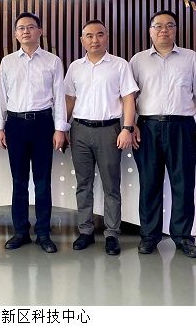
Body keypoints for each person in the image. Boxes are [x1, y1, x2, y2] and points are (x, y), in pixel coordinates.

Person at [130, 9, 196, 258]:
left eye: (169, 25)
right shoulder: (138, 60)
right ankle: (149, 236)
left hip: (182, 127)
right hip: (147, 128)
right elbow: (128, 96)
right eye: (158, 26)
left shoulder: (191, 58)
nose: (163, 30)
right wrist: (131, 124)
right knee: (149, 184)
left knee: (183, 184)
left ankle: (183, 237)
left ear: (176, 30)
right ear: (150, 31)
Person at [0, 12, 68, 253]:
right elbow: (2, 95)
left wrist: (60, 129)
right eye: (21, 28)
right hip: (15, 125)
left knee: (43, 182)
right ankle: (20, 231)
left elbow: (59, 97)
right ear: (16, 34)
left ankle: (43, 233)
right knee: (19, 181)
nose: (26, 31)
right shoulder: (7, 62)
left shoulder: (52, 61)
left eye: (31, 27)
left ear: (40, 31)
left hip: (43, 124)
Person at [64, 20, 138, 256]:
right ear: (82, 40)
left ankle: (112, 234)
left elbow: (128, 98)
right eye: (89, 35)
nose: (94, 40)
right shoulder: (75, 67)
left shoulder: (119, 65)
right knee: (83, 184)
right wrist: (62, 128)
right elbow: (69, 99)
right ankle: (85, 231)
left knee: (111, 185)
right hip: (79, 130)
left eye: (99, 35)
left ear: (106, 37)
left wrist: (127, 128)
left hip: (109, 130)